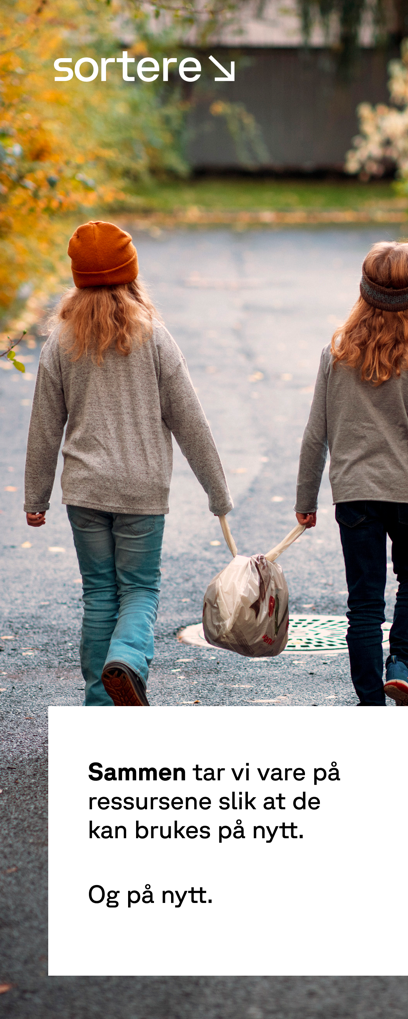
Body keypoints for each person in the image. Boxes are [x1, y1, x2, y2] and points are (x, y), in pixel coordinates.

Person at [24, 220, 233, 707]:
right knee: (139, 589)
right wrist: (217, 492)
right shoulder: (155, 338)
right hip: (142, 491)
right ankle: (128, 661)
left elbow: (44, 426)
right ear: (130, 274)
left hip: (85, 490)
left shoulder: (61, 342)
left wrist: (36, 497)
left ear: (77, 279)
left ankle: (101, 702)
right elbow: (190, 420)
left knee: (99, 594)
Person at [294, 241, 408, 710]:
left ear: (364, 291)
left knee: (363, 603)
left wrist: (306, 499)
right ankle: (400, 666)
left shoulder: (335, 353)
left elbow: (314, 433)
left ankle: (370, 706)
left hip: (354, 497)